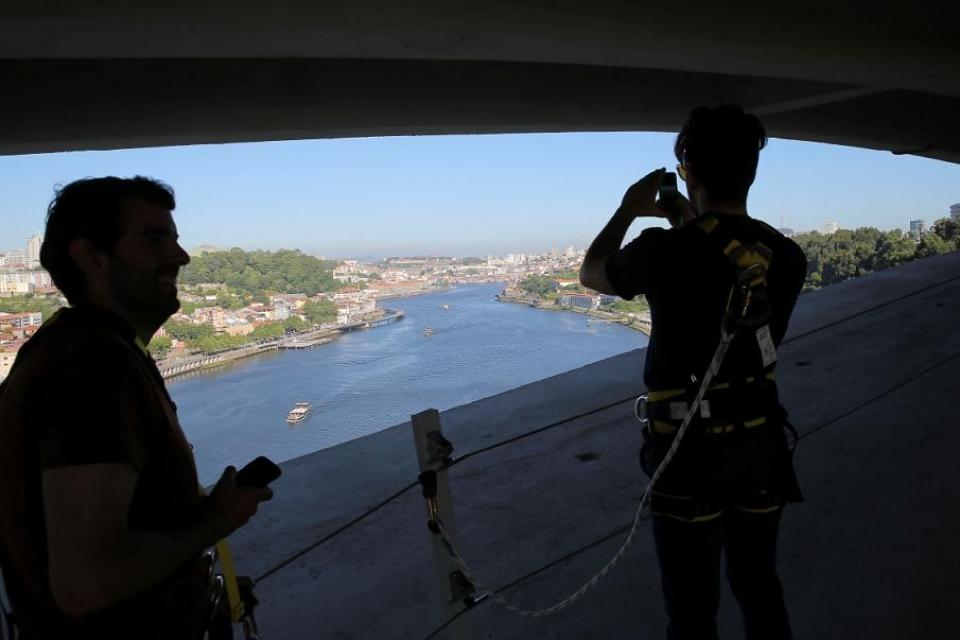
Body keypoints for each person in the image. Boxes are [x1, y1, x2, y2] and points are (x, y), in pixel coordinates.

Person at [0, 177, 273, 639]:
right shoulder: (92, 366)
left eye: (175, 239)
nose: (181, 257)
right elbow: (86, 582)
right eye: (154, 239)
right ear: (92, 258)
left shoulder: (80, 349)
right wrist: (217, 520)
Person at [580, 105, 806, 639]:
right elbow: (719, 278)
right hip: (760, 446)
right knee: (759, 587)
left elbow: (591, 274)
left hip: (687, 451)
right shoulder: (787, 255)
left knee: (691, 610)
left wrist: (627, 210)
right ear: (752, 170)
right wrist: (690, 223)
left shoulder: (663, 249)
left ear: (686, 168)